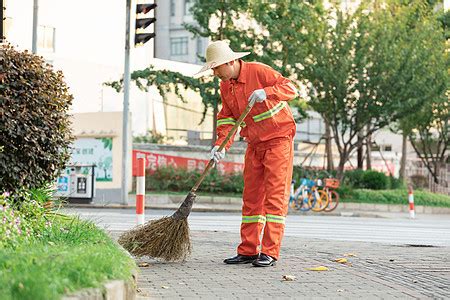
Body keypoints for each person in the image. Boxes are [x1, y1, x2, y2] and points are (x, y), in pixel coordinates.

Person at [195, 40, 297, 267]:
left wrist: (268, 92)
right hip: (254, 145)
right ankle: (249, 250)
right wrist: (221, 145)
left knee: (274, 199)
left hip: (278, 141)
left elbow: (291, 88)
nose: (214, 73)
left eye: (216, 68)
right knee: (251, 201)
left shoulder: (259, 71)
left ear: (230, 62)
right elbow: (227, 119)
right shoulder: (226, 86)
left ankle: (269, 251)